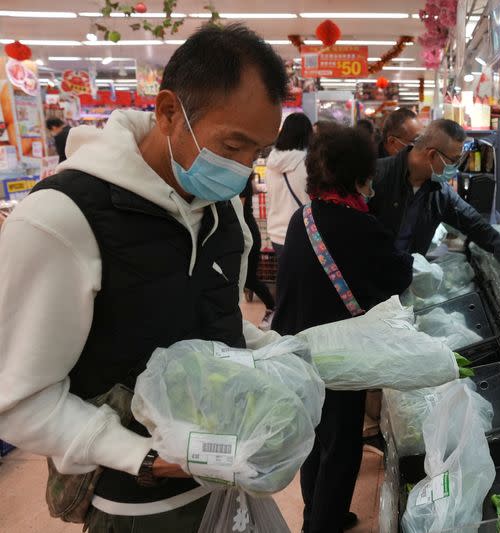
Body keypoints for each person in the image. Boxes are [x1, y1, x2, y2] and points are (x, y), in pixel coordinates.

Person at [0, 24, 287, 530]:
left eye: (257, 152)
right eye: (233, 144)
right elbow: (18, 399)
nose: (244, 170)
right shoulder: (61, 219)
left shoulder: (226, 217)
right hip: (133, 509)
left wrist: (284, 362)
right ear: (170, 112)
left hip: (227, 489)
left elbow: (217, 323)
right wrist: (144, 457)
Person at [272, 124, 413, 533]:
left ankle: (315, 514)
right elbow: (396, 275)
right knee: (342, 442)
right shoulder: (360, 226)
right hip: (340, 354)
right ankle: (324, 524)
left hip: (297, 347)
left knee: (315, 438)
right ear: (358, 175)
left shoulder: (305, 218)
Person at [371, 118, 500, 267]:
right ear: (432, 155)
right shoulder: (375, 176)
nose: (455, 168)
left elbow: (477, 226)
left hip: (404, 278)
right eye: (453, 160)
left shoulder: (440, 192)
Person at [265, 112, 312, 261]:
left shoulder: (271, 162)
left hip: (276, 233)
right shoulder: (308, 163)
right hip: (303, 233)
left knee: (286, 279)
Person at [240, 175, 277, 327]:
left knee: (249, 279)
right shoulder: (246, 181)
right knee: (248, 279)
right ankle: (273, 307)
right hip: (249, 232)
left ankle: (273, 307)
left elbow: (239, 213)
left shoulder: (241, 183)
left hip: (247, 234)